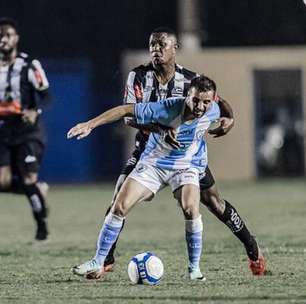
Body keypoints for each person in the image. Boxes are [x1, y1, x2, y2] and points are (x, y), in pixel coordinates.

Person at [102, 27, 265, 275]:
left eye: (161, 45)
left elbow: (219, 102)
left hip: (187, 155)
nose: (156, 50)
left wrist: (230, 118)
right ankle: (105, 261)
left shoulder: (191, 80)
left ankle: (253, 249)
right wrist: (161, 128)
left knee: (214, 203)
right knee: (118, 199)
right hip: (148, 150)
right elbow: (128, 117)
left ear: (174, 48)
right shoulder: (137, 76)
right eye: (152, 45)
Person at [68, 75, 221, 280]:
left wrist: (229, 118)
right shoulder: (165, 108)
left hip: (185, 167)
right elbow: (125, 110)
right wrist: (90, 124)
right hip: (153, 164)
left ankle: (194, 269)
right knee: (119, 206)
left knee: (191, 208)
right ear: (187, 96)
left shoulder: (213, 109)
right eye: (195, 100)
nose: (200, 106)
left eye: (206, 102)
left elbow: (223, 107)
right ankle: (98, 261)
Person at [0, 18, 50, 241]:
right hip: (3, 129)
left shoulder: (30, 65)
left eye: (7, 35)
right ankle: (39, 190)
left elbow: (47, 95)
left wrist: (35, 111)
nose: (3, 39)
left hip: (28, 130)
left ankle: (42, 228)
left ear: (16, 38)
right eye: (0, 35)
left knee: (28, 176)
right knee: (3, 181)